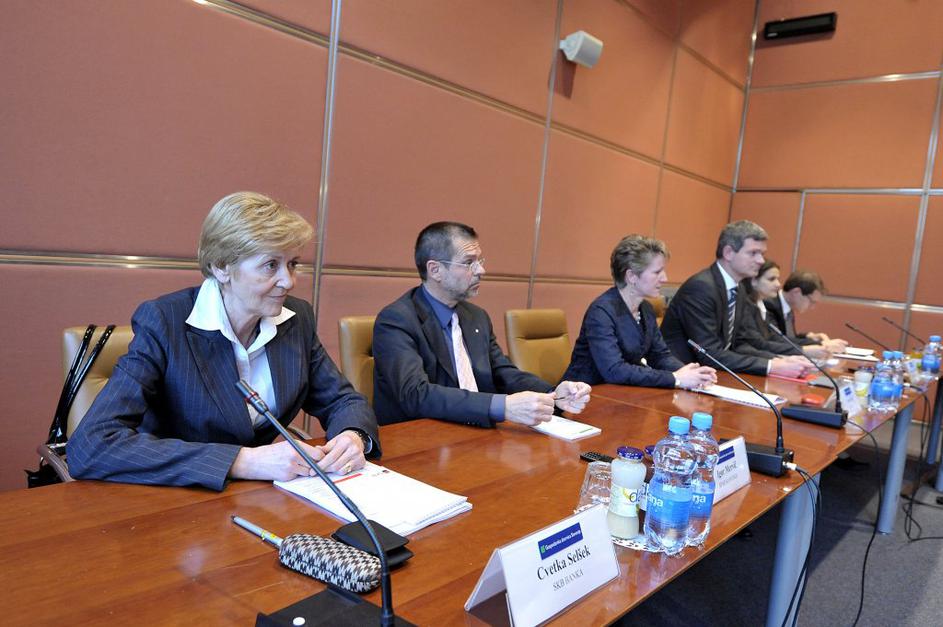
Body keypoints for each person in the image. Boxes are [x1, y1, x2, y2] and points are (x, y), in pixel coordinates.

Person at [67, 192, 380, 490]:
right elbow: (92, 444)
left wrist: (353, 436)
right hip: (174, 500)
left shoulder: (296, 319)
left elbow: (343, 401)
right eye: (271, 265)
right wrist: (242, 461)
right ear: (221, 267)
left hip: (258, 498)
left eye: (292, 264)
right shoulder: (164, 322)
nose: (289, 281)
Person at [372, 221, 591, 427]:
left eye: (479, 261)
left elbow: (502, 373)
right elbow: (416, 395)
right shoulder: (396, 320)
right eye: (469, 262)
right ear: (435, 270)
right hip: (421, 437)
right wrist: (502, 407)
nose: (480, 270)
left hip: (477, 433)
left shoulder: (476, 317)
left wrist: (553, 394)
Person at [660, 220, 811, 377]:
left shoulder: (738, 289)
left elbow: (739, 343)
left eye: (762, 254)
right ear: (728, 253)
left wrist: (779, 360)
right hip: (681, 375)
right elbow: (709, 353)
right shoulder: (701, 288)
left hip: (712, 374)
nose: (761, 260)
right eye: (753, 253)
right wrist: (771, 366)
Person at [562, 235, 716, 389]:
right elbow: (614, 370)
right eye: (657, 272)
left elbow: (660, 356)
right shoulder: (601, 312)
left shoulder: (646, 309)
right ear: (631, 276)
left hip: (622, 394)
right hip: (582, 395)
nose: (664, 278)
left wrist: (691, 373)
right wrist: (675, 378)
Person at [766, 270, 848, 354]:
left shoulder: (787, 307)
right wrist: (821, 344)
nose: (812, 307)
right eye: (812, 301)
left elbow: (788, 337)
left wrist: (808, 337)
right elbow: (777, 340)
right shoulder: (769, 306)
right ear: (796, 292)